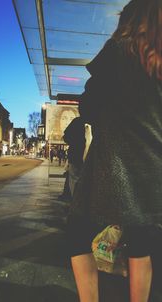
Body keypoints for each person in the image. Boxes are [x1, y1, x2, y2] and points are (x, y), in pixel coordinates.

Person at [67, 1, 162, 302]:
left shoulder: (119, 50)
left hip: (116, 167)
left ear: (131, 20)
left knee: (77, 235)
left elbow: (90, 107)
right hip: (154, 170)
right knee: (140, 242)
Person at [63, 116, 86, 197]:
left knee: (74, 178)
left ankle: (76, 201)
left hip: (76, 154)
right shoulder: (96, 120)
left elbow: (66, 136)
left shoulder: (77, 121)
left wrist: (74, 142)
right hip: (86, 156)